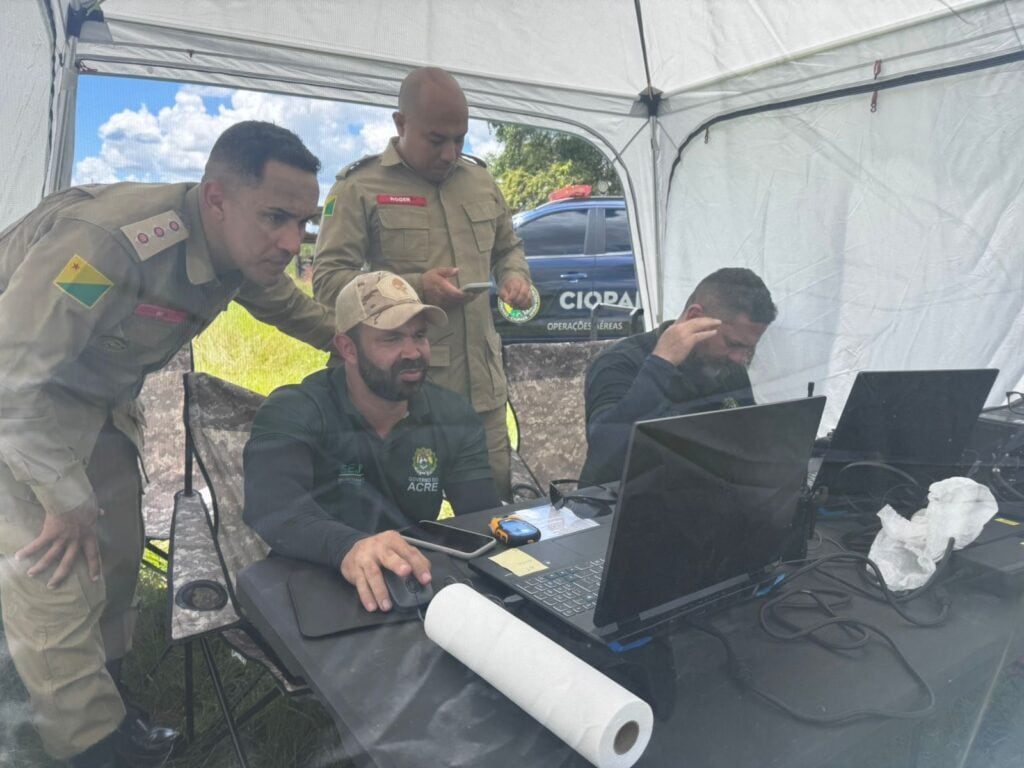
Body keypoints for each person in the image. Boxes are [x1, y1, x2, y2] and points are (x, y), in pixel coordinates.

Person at [0, 120, 336, 768]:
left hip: (90, 401)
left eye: (305, 223)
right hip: (18, 399)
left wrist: (351, 340)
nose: (292, 242)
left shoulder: (243, 249)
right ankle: (91, 749)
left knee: (118, 554)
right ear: (217, 199)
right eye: (276, 217)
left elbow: (290, 309)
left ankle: (113, 706)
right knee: (58, 575)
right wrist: (66, 498)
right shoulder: (111, 247)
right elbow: (10, 377)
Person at [313, 66, 533, 501]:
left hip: (481, 394)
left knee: (492, 520)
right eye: (437, 139)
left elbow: (508, 247)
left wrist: (514, 277)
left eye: (460, 139)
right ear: (401, 124)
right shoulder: (361, 186)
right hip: (402, 397)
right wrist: (414, 290)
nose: (451, 152)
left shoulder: (481, 182)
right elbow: (328, 280)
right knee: (398, 525)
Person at [244, 271, 500, 612]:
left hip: (410, 580)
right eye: (391, 339)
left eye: (419, 335)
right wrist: (349, 546)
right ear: (347, 348)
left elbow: (481, 515)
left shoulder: (452, 413)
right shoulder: (295, 410)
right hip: (315, 578)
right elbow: (273, 509)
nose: (413, 352)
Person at [578, 267, 777, 486]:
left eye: (749, 349)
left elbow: (750, 442)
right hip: (617, 504)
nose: (740, 358)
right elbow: (606, 453)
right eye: (733, 344)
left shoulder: (728, 367)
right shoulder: (620, 363)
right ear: (695, 317)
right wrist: (660, 365)